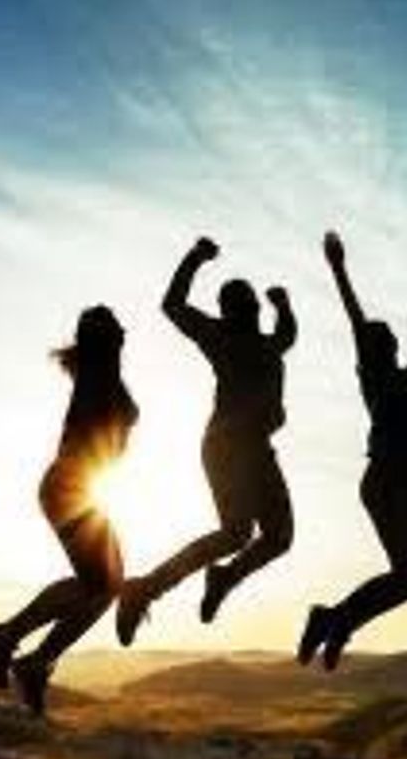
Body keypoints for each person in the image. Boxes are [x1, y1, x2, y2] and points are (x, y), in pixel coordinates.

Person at [116, 236, 297, 643]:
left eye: (250, 305)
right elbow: (173, 306)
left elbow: (288, 333)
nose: (249, 310)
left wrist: (284, 305)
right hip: (228, 447)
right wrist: (194, 259)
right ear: (232, 312)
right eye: (242, 306)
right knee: (237, 534)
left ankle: (223, 578)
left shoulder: (269, 346)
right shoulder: (222, 337)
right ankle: (143, 589)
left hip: (256, 450)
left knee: (278, 537)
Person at [0, 305, 138, 716]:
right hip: (72, 489)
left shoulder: (101, 376)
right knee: (104, 583)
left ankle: (28, 656)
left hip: (77, 489)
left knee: (104, 585)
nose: (124, 333)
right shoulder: (97, 378)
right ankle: (14, 645)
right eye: (117, 331)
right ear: (105, 340)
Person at [298, 230, 407, 670]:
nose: (390, 344)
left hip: (399, 480)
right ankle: (336, 621)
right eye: (383, 342)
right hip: (389, 481)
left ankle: (333, 618)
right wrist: (339, 270)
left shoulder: (398, 381)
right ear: (376, 350)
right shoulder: (375, 376)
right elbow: (354, 318)